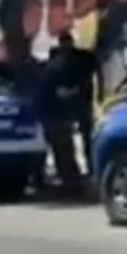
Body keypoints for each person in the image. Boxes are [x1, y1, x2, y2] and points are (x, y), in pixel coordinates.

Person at [34, 48, 82, 193]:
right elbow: (62, 93)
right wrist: (75, 91)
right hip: (56, 116)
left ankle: (39, 179)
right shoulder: (56, 73)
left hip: (44, 115)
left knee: (46, 150)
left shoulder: (43, 72)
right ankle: (70, 182)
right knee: (64, 149)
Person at [55, 31, 100, 167]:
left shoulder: (83, 57)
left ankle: (89, 164)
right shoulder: (57, 57)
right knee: (65, 138)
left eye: (67, 44)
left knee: (86, 136)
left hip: (81, 100)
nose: (65, 47)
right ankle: (71, 166)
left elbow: (97, 72)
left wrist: (100, 91)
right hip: (65, 102)